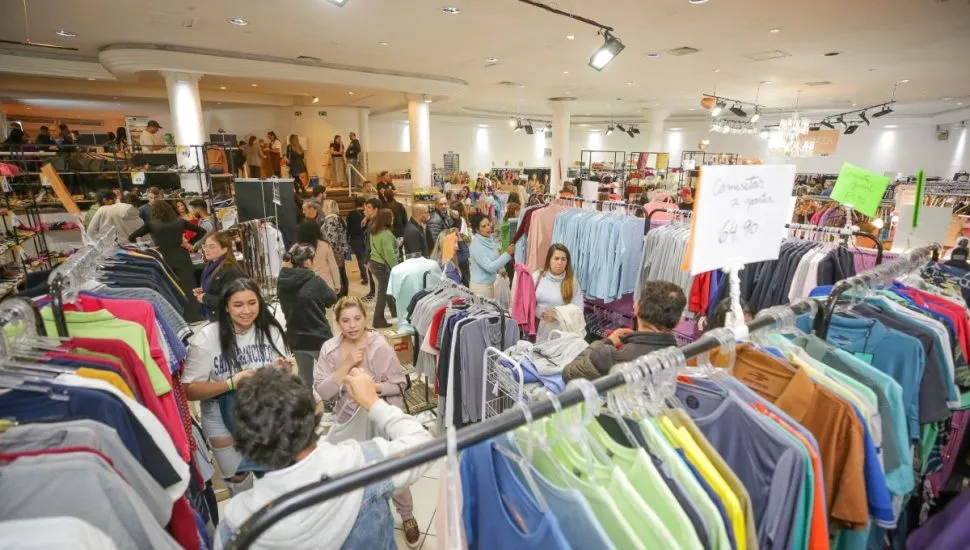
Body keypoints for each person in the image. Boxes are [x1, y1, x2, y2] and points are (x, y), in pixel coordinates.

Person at [217, 366, 432, 549]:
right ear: (310, 418)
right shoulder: (362, 465)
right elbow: (422, 444)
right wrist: (373, 402)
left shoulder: (232, 528)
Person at [312, 296, 424, 547]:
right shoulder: (329, 349)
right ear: (337, 323)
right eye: (345, 320)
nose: (352, 325)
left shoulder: (379, 345)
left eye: (357, 319)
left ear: (365, 318)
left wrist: (371, 389)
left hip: (380, 415)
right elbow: (323, 391)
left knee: (391, 468)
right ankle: (356, 516)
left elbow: (401, 383)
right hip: (348, 420)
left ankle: (407, 515)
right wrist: (346, 365)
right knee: (351, 471)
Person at [182, 278, 292, 494]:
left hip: (265, 416)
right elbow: (190, 390)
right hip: (221, 419)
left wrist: (282, 371)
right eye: (238, 305)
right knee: (240, 485)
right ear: (226, 306)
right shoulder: (206, 339)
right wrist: (231, 383)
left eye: (252, 303)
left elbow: (281, 381)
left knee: (275, 480)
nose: (246, 311)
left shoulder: (271, 331)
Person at [562, 280, 686, 382]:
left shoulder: (614, 356)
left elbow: (569, 373)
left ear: (636, 308)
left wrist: (607, 342)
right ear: (680, 320)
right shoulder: (680, 359)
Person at [128, 200, 206, 322]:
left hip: (163, 258)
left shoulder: (151, 224)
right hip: (181, 256)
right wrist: (189, 243)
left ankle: (176, 320)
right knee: (188, 287)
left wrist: (148, 248)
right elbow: (202, 231)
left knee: (169, 289)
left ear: (154, 211)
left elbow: (132, 237)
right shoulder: (180, 221)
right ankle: (195, 317)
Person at [278, 243, 338, 387]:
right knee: (330, 375)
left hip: (296, 339)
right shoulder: (315, 281)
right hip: (319, 338)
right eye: (313, 259)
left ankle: (307, 407)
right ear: (308, 261)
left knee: (305, 380)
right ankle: (330, 403)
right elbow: (332, 299)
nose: (315, 263)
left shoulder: (282, 282)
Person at [533, 244, 584, 342]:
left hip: (563, 335)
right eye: (556, 258)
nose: (559, 262)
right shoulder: (537, 277)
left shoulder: (572, 282)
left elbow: (579, 309)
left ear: (567, 262)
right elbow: (527, 304)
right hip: (537, 331)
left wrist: (557, 314)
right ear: (549, 260)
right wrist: (541, 313)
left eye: (563, 259)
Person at [194, 231, 248, 321]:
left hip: (229, 320)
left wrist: (205, 297)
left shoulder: (230, 271)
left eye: (212, 247)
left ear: (225, 249)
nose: (206, 250)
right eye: (205, 246)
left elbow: (232, 301)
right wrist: (203, 290)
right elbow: (216, 288)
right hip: (217, 316)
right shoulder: (210, 266)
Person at [468, 213, 514, 298]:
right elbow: (489, 267)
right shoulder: (476, 246)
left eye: (488, 224)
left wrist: (501, 269)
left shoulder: (488, 239)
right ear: (477, 230)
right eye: (484, 226)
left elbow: (495, 257)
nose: (488, 227)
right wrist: (507, 254)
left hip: (490, 285)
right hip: (480, 288)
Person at [368, 208, 400, 327]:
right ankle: (378, 319)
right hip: (382, 266)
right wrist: (397, 269)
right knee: (383, 292)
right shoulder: (385, 234)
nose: (393, 219)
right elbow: (390, 254)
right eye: (392, 216)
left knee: (386, 289)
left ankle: (395, 311)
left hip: (374, 263)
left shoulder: (374, 231)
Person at [296, 218, 341, 294]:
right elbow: (333, 266)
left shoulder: (297, 248)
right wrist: (337, 284)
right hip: (326, 284)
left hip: (306, 285)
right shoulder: (325, 245)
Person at [321, 199, 350, 297]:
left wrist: (327, 252)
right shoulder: (339, 218)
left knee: (337, 272)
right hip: (340, 250)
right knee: (341, 271)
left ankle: (340, 294)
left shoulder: (330, 220)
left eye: (324, 206)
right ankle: (344, 291)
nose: (322, 209)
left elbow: (332, 238)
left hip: (334, 252)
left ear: (328, 208)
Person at [346, 197, 369, 287]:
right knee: (365, 258)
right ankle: (366, 275)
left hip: (355, 239)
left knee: (360, 258)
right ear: (364, 204)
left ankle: (364, 277)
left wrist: (347, 238)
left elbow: (348, 228)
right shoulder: (366, 214)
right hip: (366, 238)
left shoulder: (351, 214)